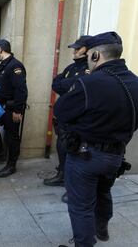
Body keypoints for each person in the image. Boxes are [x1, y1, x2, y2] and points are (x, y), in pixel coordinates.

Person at [55, 32, 138, 247]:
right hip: (116, 155)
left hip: (86, 156)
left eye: (90, 55)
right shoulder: (135, 82)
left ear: (95, 56)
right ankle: (102, 229)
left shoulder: (88, 83)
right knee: (103, 192)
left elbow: (61, 111)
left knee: (81, 206)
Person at [44, 36, 91, 195]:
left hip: (77, 119)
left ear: (87, 50)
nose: (75, 51)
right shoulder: (71, 67)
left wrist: (65, 84)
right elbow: (56, 84)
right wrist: (66, 84)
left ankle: (72, 187)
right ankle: (62, 175)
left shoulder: (89, 68)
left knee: (74, 152)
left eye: (78, 48)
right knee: (62, 148)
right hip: (64, 120)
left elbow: (74, 87)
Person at [0, 39, 28, 177]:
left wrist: (18, 110)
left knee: (12, 137)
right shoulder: (3, 65)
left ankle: (11, 165)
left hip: (11, 108)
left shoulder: (15, 66)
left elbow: (21, 90)